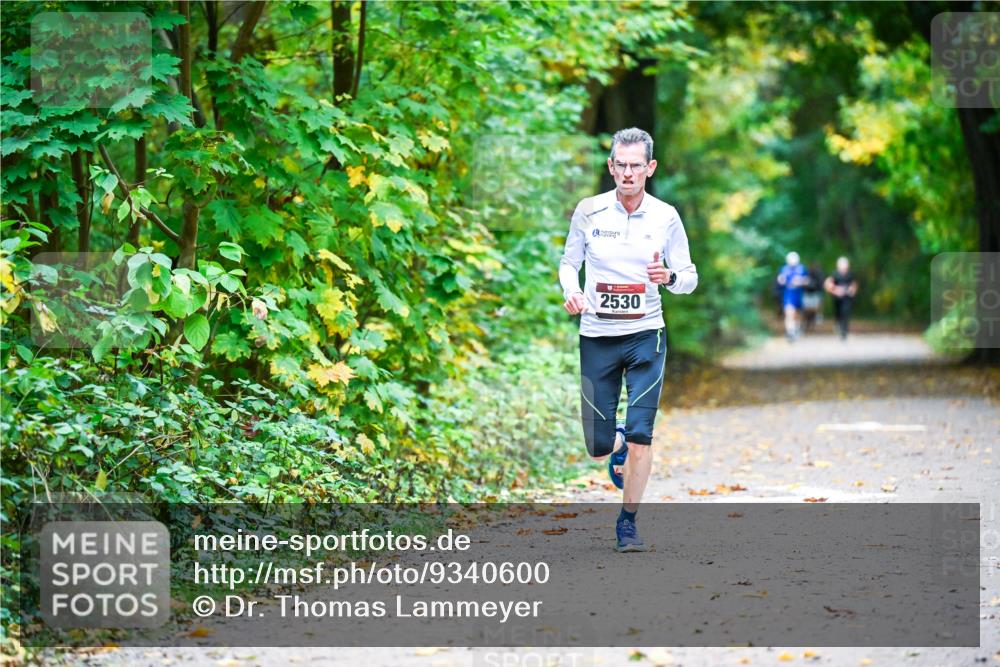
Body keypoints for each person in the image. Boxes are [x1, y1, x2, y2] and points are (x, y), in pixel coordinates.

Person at [559, 127, 698, 552]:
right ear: (611, 166)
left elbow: (689, 278)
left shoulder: (665, 216)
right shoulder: (589, 211)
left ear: (650, 168)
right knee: (599, 447)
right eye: (620, 164)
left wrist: (669, 277)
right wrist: (572, 290)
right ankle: (614, 440)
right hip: (598, 334)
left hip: (646, 336)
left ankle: (628, 523)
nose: (628, 172)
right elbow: (569, 263)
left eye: (636, 165)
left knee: (642, 435)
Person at [776, 251, 809, 341]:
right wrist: (781, 280)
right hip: (789, 294)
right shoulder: (784, 269)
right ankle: (790, 331)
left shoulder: (802, 268)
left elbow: (807, 281)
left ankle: (796, 328)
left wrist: (800, 281)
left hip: (798, 293)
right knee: (789, 312)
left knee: (797, 314)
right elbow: (780, 279)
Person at [824, 256, 858, 340]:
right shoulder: (834, 274)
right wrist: (836, 290)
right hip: (837, 298)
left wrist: (852, 290)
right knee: (838, 313)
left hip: (847, 297)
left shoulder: (850, 274)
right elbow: (828, 284)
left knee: (845, 313)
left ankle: (844, 332)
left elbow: (854, 284)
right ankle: (839, 326)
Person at [802, 262, 825, 333]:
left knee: (813, 310)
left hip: (815, 294)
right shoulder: (806, 274)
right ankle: (808, 324)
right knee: (808, 310)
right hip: (809, 294)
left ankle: (812, 322)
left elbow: (820, 285)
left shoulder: (819, 274)